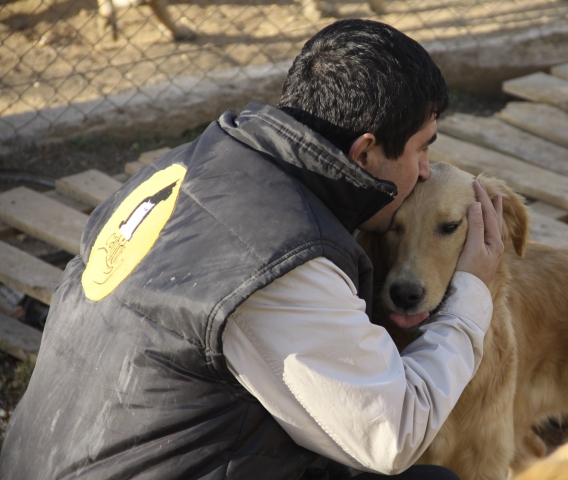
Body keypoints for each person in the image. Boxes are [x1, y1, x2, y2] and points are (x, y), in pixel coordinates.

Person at [0, 19, 504, 480]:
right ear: (365, 151)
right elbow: (394, 435)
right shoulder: (285, 260)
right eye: (422, 148)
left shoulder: (187, 165)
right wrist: (471, 299)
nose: (424, 171)